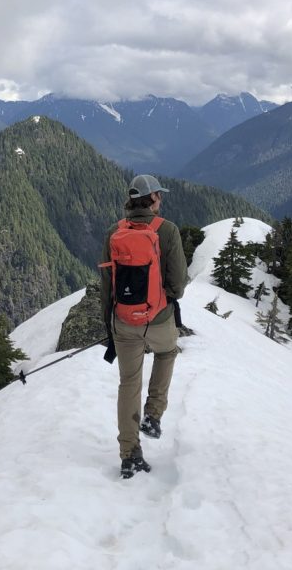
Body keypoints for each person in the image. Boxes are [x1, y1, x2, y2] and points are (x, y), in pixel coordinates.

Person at [100, 174, 188, 479]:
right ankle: (153, 414)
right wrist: (164, 299)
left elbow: (107, 284)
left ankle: (129, 455)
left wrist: (110, 323)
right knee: (167, 353)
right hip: (159, 318)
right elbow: (179, 283)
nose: (160, 199)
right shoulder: (168, 230)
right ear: (153, 199)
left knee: (129, 383)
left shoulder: (114, 232)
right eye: (159, 195)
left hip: (123, 321)